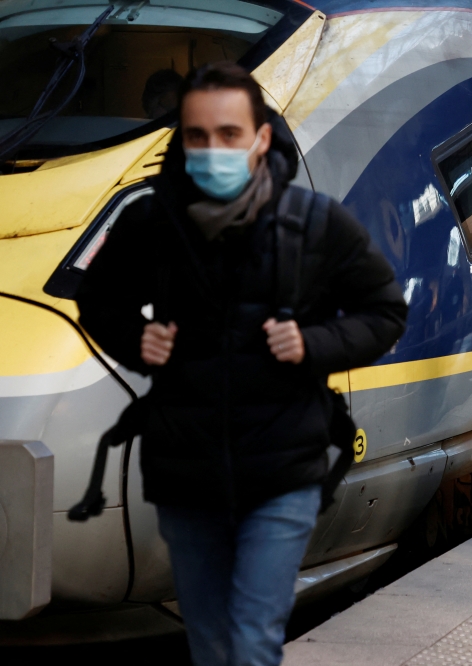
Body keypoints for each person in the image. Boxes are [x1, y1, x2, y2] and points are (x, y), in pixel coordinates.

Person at [75, 62, 408, 666]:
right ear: (182, 139)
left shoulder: (313, 223)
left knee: (251, 638)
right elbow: (97, 299)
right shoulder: (152, 221)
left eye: (229, 135)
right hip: (186, 469)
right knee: (209, 643)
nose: (213, 150)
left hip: (282, 471)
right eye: (197, 136)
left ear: (260, 138)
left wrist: (313, 344)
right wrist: (136, 337)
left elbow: (385, 312)